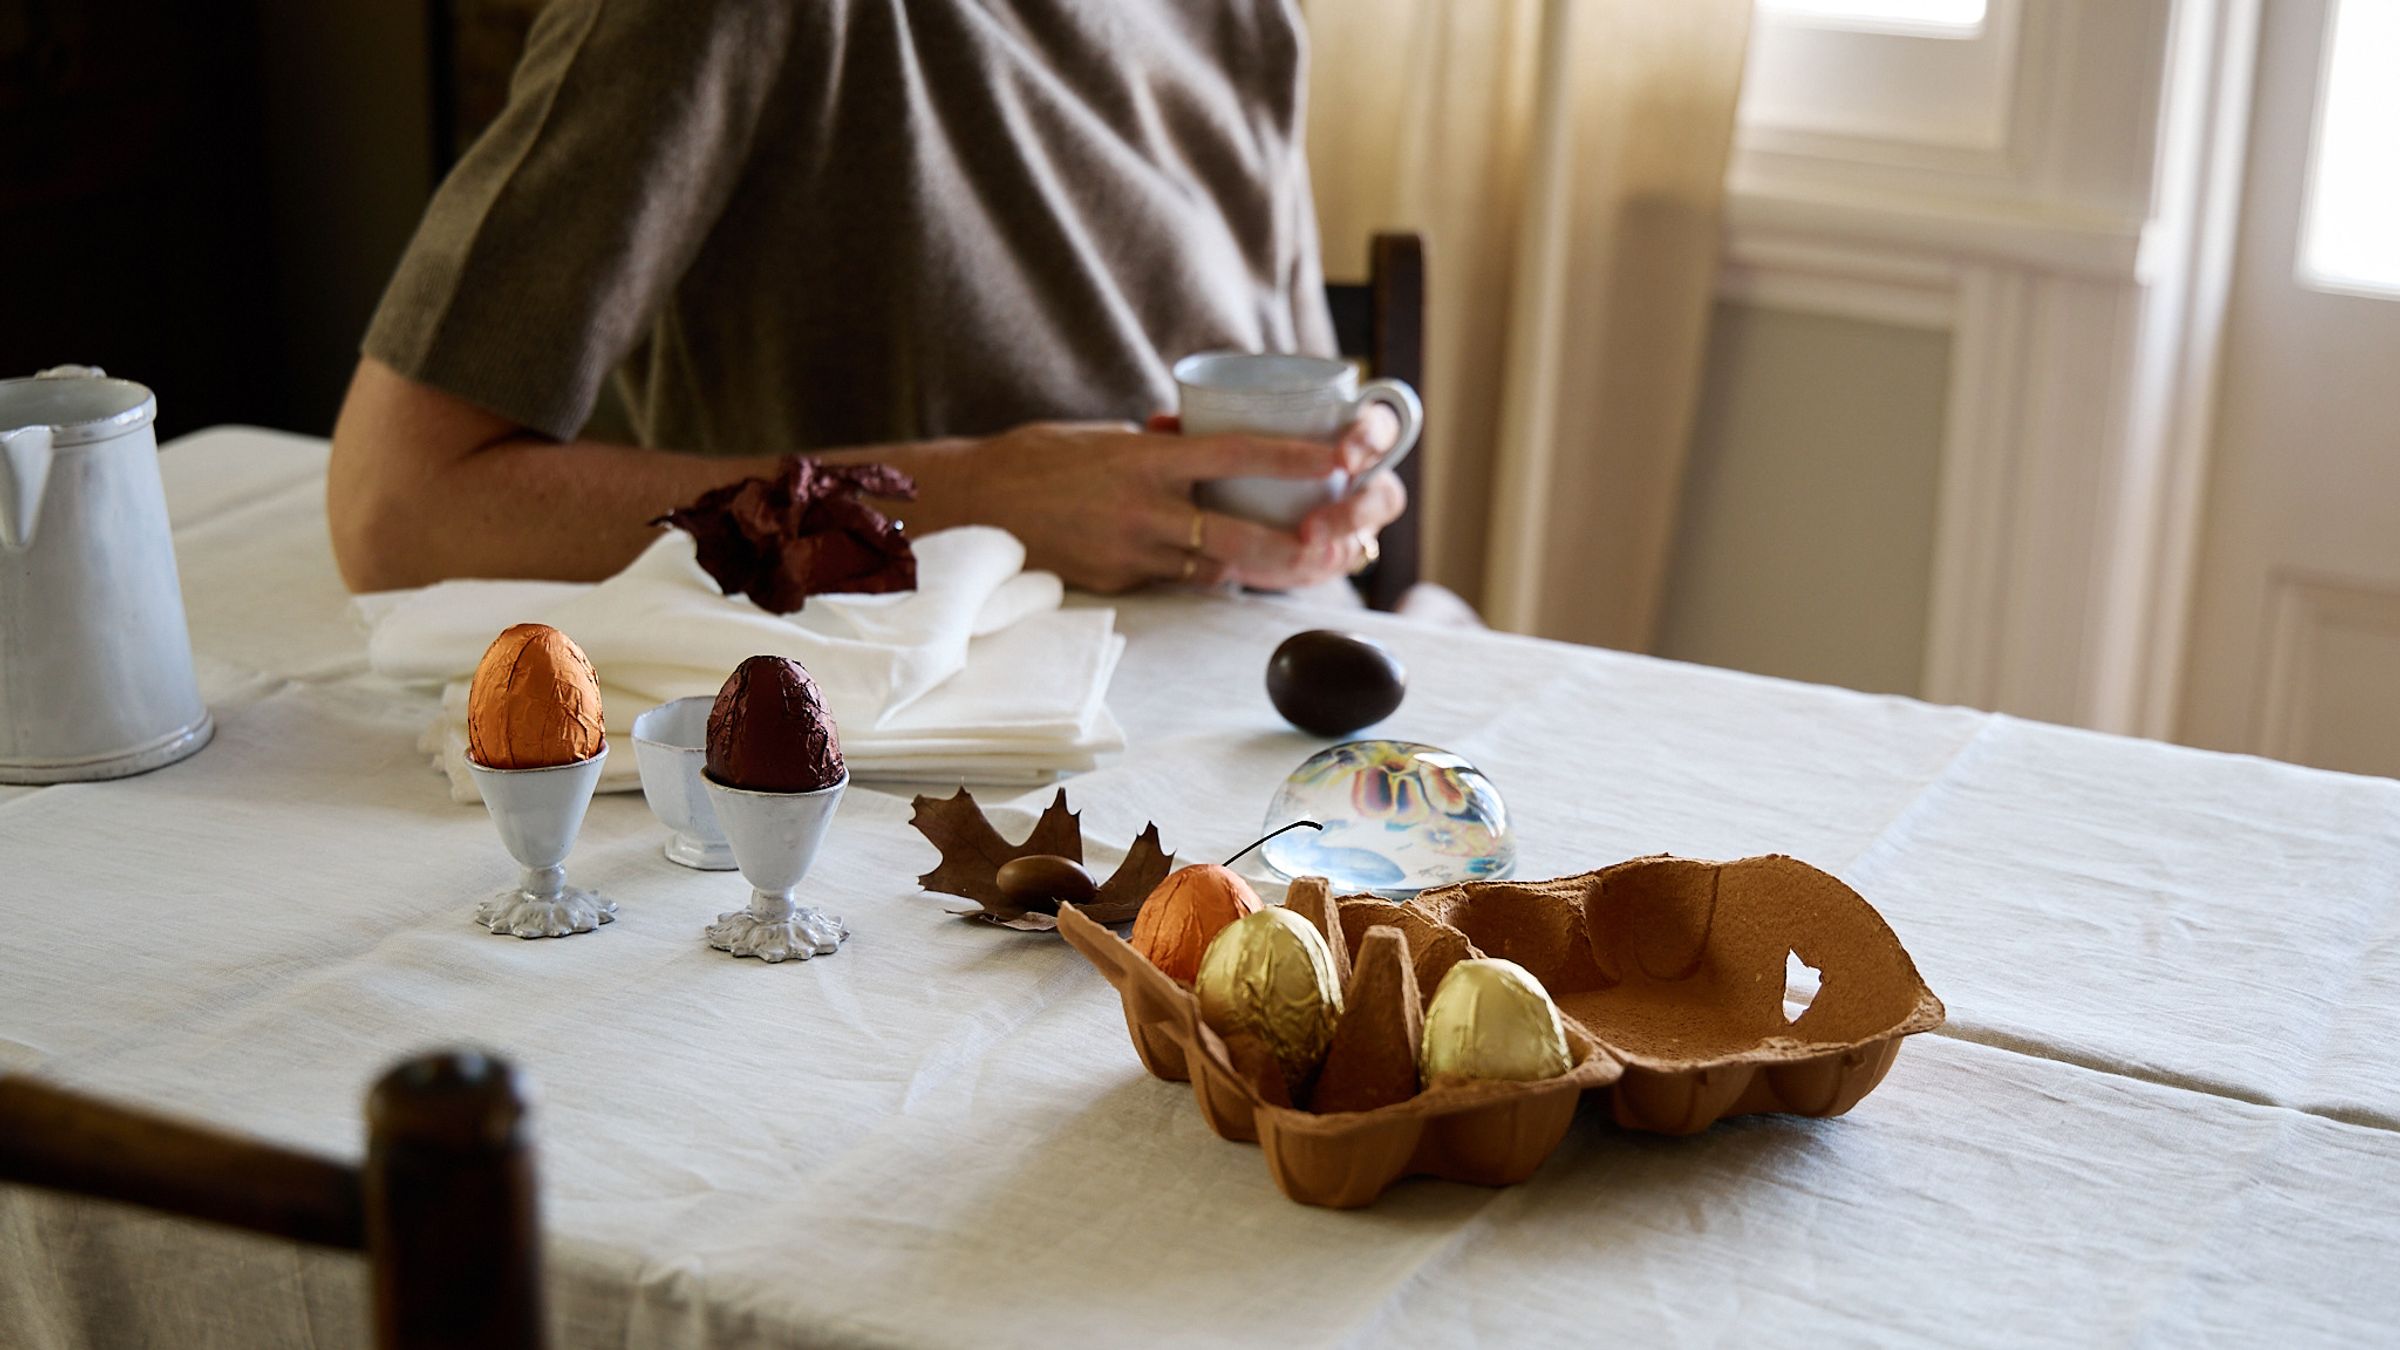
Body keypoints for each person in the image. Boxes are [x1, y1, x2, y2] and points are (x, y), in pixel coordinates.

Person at [327, 0, 1404, 596]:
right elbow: (397, 509)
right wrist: (971, 501)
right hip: (897, 785)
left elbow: (1289, 424)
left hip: (1262, 736)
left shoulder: (1249, 20)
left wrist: (1331, 503)